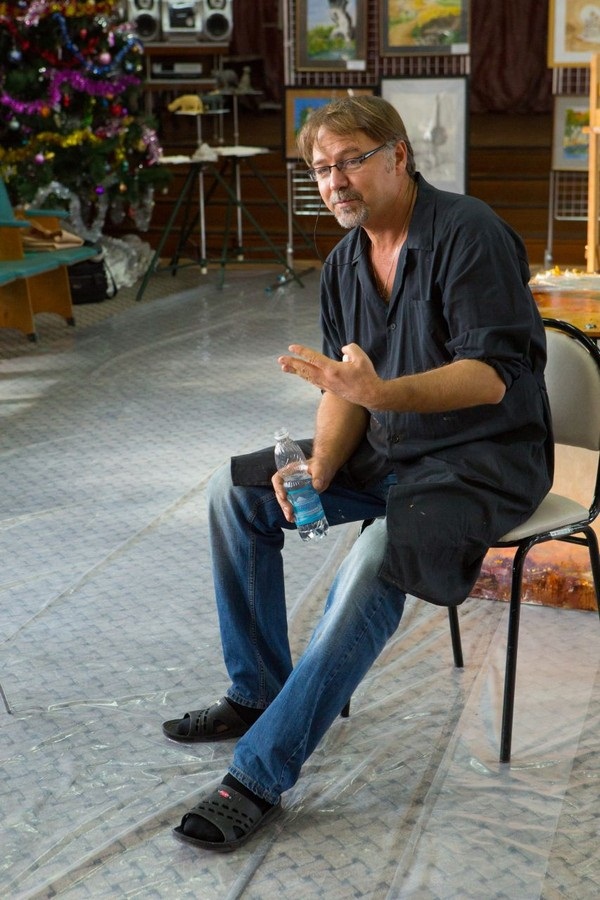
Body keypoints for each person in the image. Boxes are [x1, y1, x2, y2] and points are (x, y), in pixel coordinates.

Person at [164, 96, 553, 852]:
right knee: (233, 493)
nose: (334, 181)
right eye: (320, 168)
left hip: (482, 459)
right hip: (389, 449)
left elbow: (491, 377)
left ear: (399, 156)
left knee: (378, 552)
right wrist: (318, 467)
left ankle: (260, 773)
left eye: (351, 161)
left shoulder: (469, 234)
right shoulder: (345, 263)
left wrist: (380, 395)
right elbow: (345, 390)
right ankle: (258, 693)